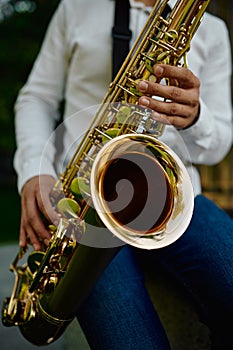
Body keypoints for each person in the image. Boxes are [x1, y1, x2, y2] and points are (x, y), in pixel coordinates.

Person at [13, 0, 233, 349]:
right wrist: (33, 172)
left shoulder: (214, 30)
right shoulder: (76, 8)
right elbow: (36, 98)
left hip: (175, 200)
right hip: (85, 204)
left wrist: (195, 117)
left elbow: (220, 143)